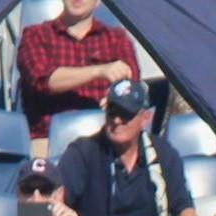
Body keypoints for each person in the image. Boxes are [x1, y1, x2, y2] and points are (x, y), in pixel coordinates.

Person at [57, 79, 199, 216]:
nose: (117, 121)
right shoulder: (82, 152)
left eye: (126, 115)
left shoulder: (163, 154)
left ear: (145, 118)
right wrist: (45, 208)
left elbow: (185, 211)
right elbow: (43, 206)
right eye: (112, 112)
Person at [16, 0, 139, 152]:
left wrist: (116, 100)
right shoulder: (36, 35)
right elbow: (41, 80)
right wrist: (99, 71)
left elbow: (133, 87)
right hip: (49, 141)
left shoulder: (117, 39)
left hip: (106, 140)